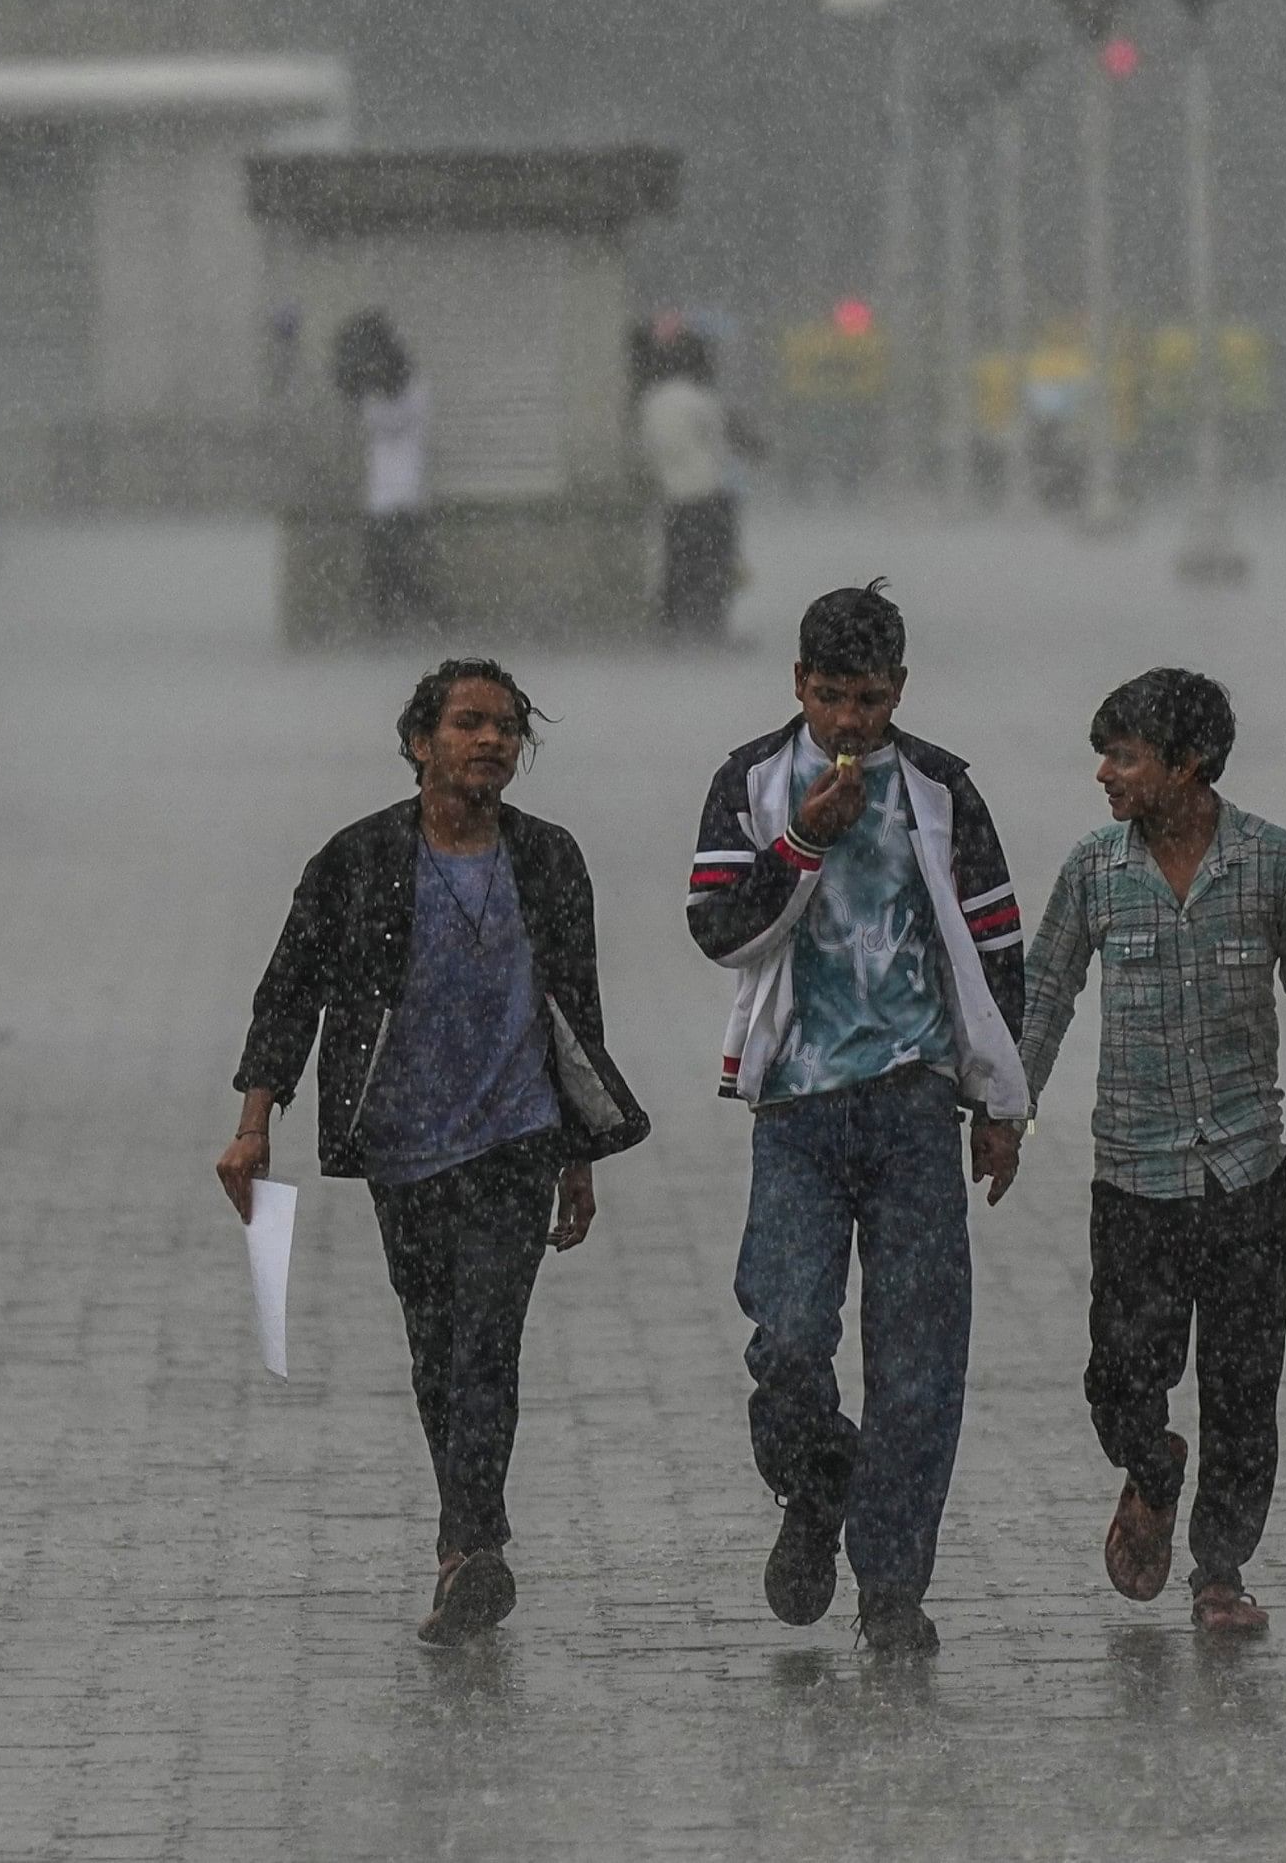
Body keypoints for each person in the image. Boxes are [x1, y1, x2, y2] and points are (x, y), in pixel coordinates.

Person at [220, 658, 651, 1644]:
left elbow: (575, 1015)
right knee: (435, 1346)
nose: (489, 741)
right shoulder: (359, 861)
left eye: (504, 727)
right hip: (404, 1145)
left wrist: (580, 1152)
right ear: (421, 742)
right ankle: (468, 1541)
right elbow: (289, 993)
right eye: (466, 724)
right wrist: (254, 1124)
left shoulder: (548, 861)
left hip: (517, 1138)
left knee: (487, 1341)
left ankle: (471, 1543)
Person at [685, 583, 1029, 1657]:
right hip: (794, 1107)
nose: (849, 723)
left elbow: (994, 952)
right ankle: (815, 1478)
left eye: (870, 700)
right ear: (798, 686)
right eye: (830, 698)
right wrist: (797, 846)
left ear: (899, 692)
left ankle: (893, 1586)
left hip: (915, 1103)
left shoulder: (940, 788)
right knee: (788, 1336)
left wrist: (997, 1099)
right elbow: (716, 929)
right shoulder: (751, 781)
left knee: (920, 1361)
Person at [1015, 668, 1286, 1637]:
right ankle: (1149, 1465)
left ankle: (1220, 1569)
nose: (1104, 774)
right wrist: (1004, 1112)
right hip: (1133, 1173)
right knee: (1118, 1376)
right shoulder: (1095, 871)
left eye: (1125, 757)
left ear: (1189, 765)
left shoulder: (1274, 867)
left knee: (1243, 1384)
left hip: (1245, 1173)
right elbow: (1044, 995)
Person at [635, 322, 736, 642]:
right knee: (712, 566)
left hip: (673, 499)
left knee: (677, 565)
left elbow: (646, 453)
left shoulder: (650, 403)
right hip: (707, 494)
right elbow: (719, 446)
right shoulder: (700, 400)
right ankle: (712, 625)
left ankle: (673, 625)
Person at [337, 309, 434, 632]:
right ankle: (391, 615)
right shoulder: (379, 398)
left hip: (403, 495)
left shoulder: (409, 393)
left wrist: (372, 390)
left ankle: (404, 613)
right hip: (383, 498)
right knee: (385, 567)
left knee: (398, 566)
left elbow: (396, 419)